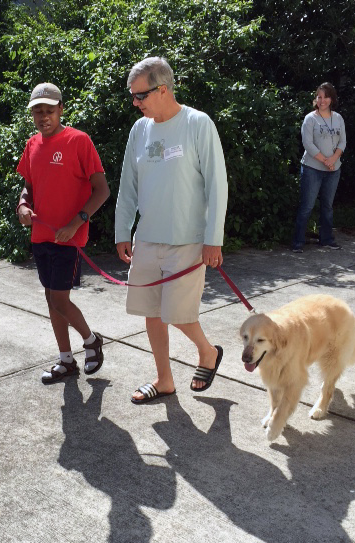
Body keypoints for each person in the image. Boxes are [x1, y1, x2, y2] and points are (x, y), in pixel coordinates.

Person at [114, 57, 228, 403]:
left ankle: (207, 353)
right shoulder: (140, 130)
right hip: (147, 238)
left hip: (188, 241)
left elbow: (217, 185)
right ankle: (164, 380)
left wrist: (213, 240)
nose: (135, 103)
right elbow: (128, 185)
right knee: (151, 312)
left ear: (162, 89)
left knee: (177, 313)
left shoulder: (197, 123)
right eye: (133, 96)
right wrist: (122, 230)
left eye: (140, 95)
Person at [16, 82, 110, 384]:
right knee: (51, 298)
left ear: (61, 110)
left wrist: (77, 222)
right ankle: (66, 361)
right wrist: (22, 204)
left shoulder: (78, 141)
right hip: (41, 235)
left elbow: (102, 190)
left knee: (59, 299)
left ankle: (91, 340)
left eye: (50, 110)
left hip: (68, 238)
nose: (44, 116)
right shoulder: (32, 145)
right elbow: (28, 186)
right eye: (38, 111)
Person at [292, 82, 346, 252]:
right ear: (316, 98)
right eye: (319, 97)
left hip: (333, 170)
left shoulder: (338, 118)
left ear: (332, 98)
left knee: (328, 207)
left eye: (326, 97)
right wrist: (325, 160)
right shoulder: (310, 119)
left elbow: (343, 142)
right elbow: (307, 144)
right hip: (312, 169)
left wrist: (333, 160)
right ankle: (298, 243)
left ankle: (326, 239)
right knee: (307, 206)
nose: (322, 100)